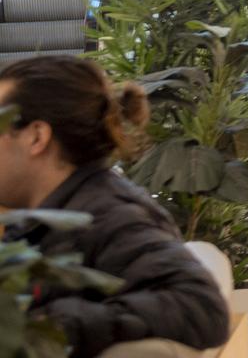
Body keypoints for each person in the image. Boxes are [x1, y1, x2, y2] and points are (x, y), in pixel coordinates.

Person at [0, 55, 230, 356]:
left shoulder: (109, 216)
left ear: (36, 137)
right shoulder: (55, 215)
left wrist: (48, 325)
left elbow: (201, 307)